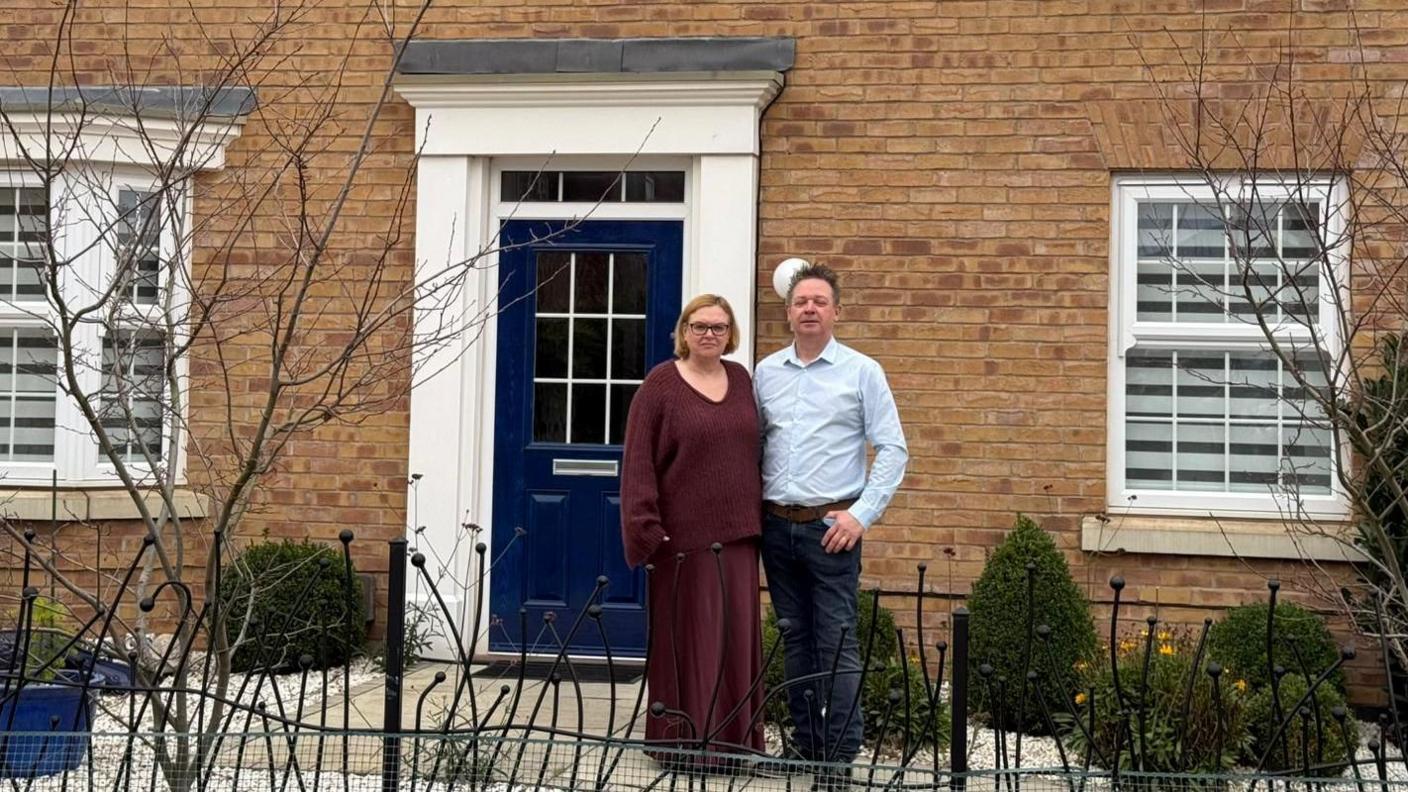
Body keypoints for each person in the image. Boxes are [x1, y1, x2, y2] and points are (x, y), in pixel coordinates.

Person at [754, 263, 908, 784]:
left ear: (837, 311)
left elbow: (892, 449)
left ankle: (838, 759)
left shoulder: (862, 371)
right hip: (776, 527)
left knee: (837, 642)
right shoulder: (765, 373)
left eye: (820, 301)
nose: (810, 309)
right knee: (794, 639)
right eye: (801, 302)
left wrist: (862, 514)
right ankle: (806, 746)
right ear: (789, 312)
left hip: (831, 530)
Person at [620, 293, 766, 767]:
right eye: (700, 326)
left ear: (731, 334)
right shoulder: (660, 386)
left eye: (719, 328)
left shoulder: (742, 380)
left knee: (735, 646)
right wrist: (646, 529)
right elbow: (638, 462)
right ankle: (683, 745)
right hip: (683, 544)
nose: (709, 335)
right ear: (684, 331)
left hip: (740, 537)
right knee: (691, 645)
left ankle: (735, 744)